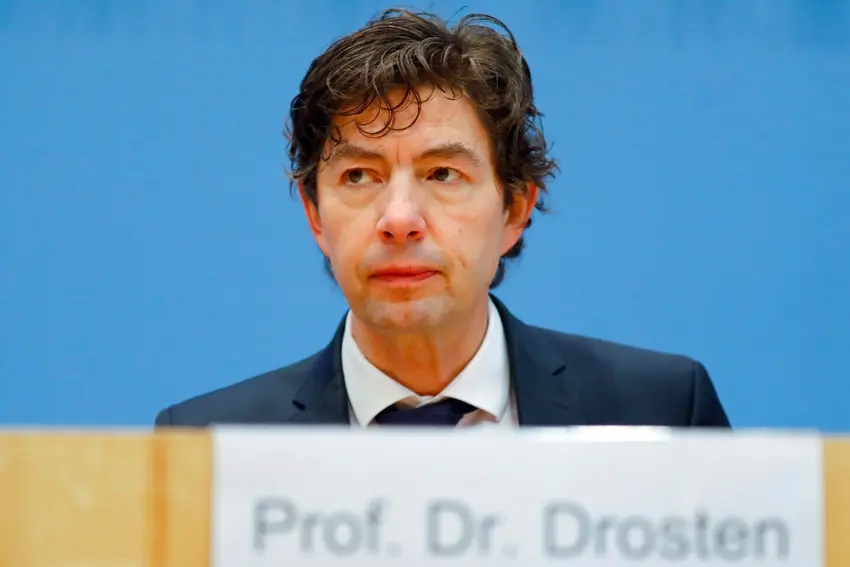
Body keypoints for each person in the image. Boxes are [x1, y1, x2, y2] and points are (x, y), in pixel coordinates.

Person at [154, 9, 730, 429]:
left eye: (442, 174)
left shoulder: (661, 411)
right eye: (360, 176)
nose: (399, 219)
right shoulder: (209, 445)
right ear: (315, 216)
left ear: (515, 208)